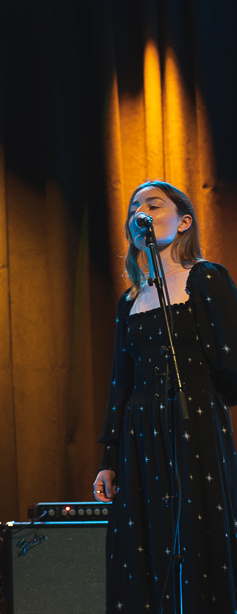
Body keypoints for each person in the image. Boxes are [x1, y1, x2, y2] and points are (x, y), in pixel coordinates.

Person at [93, 181, 237, 613]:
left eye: (153, 205)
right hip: (139, 431)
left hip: (193, 419)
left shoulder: (206, 278)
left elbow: (231, 359)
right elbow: (121, 380)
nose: (142, 212)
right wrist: (109, 457)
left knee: (198, 536)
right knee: (144, 543)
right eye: (135, 207)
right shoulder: (129, 301)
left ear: (184, 221)